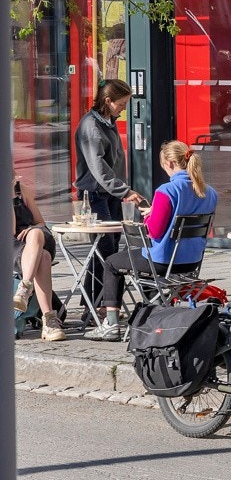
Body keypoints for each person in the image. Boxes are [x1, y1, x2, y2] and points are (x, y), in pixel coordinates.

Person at [86, 140, 218, 341]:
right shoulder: (209, 192)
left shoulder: (166, 190)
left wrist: (149, 215)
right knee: (140, 263)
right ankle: (153, 312)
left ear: (169, 163)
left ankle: (111, 324)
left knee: (112, 262)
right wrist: (155, 212)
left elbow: (155, 232)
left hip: (163, 261)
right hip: (191, 263)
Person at [73, 78, 143, 317]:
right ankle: (96, 305)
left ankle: (102, 303)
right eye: (121, 104)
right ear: (108, 101)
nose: (124, 109)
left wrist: (121, 190)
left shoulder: (108, 122)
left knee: (112, 248)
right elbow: (98, 168)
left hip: (109, 193)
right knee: (104, 248)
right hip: (95, 195)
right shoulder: (91, 127)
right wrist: (125, 191)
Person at [13, 177, 65, 342]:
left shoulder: (22, 189)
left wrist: (30, 230)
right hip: (13, 246)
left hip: (39, 237)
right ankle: (49, 320)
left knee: (36, 233)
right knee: (43, 257)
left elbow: (40, 223)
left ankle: (25, 287)